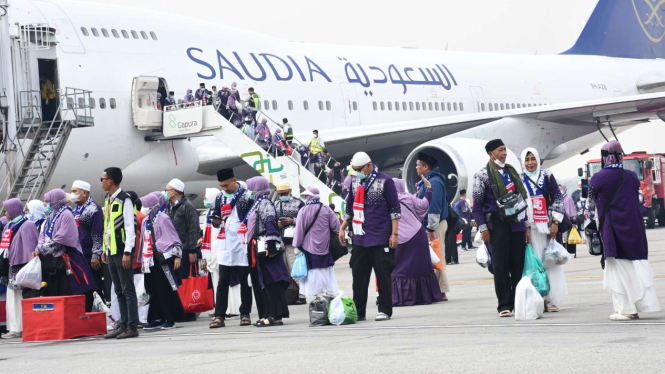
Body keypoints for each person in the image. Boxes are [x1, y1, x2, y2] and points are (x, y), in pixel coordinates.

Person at [588, 140, 661, 320]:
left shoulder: (597, 178)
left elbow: (589, 206)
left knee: (617, 269)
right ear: (620, 154)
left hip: (612, 229)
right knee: (633, 266)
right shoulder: (631, 176)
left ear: (604, 157)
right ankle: (637, 305)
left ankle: (627, 309)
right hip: (633, 227)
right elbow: (640, 201)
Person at [472, 139, 530, 317]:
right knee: (500, 266)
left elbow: (522, 202)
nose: (504, 153)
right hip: (497, 225)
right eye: (500, 150)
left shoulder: (512, 173)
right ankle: (504, 304)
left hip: (517, 225)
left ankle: (518, 302)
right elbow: (477, 206)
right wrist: (483, 229)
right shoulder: (482, 176)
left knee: (518, 265)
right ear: (491, 154)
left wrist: (526, 226)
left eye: (505, 150)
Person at [340, 152, 400, 321]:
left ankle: (385, 309)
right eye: (354, 169)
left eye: (359, 169)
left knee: (383, 275)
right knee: (358, 275)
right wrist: (342, 227)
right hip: (360, 237)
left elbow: (394, 210)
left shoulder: (385, 181)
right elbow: (350, 207)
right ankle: (359, 311)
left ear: (368, 165)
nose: (357, 172)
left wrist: (394, 234)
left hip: (380, 236)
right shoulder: (354, 181)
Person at [520, 148, 568, 312]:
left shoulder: (547, 176)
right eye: (527, 160)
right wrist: (524, 226)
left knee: (550, 263)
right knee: (534, 264)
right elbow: (519, 205)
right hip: (531, 229)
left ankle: (550, 300)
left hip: (547, 228)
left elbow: (557, 199)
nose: (530, 163)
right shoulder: (519, 179)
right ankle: (538, 298)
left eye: (533, 159)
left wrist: (555, 222)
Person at [210, 169, 255, 328]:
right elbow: (216, 215)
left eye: (226, 185)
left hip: (242, 243)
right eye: (221, 186)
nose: (224, 188)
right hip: (226, 244)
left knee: (245, 281)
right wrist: (216, 220)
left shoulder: (247, 195)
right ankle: (219, 315)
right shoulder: (220, 197)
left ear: (234, 180)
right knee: (222, 282)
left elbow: (252, 216)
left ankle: (245, 314)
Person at [34, 189, 98, 299]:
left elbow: (62, 238)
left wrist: (41, 249)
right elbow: (42, 236)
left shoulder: (66, 214)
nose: (45, 204)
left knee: (68, 292)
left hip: (67, 261)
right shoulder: (51, 216)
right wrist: (39, 247)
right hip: (52, 261)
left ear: (55, 201)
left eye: (47, 201)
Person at [244, 177, 290, 327]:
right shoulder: (257, 203)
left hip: (266, 247)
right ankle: (269, 314)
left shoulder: (264, 203)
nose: (249, 192)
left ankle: (275, 316)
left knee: (272, 281)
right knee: (265, 282)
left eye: (251, 188)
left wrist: (271, 244)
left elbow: (270, 221)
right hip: (258, 246)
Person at [100, 167, 139, 339]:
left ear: (111, 181)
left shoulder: (125, 200)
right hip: (111, 250)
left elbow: (130, 227)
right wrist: (104, 249)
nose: (101, 182)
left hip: (122, 251)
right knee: (118, 290)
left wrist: (128, 252)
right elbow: (107, 227)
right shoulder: (109, 200)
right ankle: (123, 324)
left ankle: (132, 326)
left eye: (103, 179)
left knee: (127, 289)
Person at [391, 178, 443, 306]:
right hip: (417, 235)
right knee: (420, 268)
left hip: (398, 238)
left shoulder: (387, 201)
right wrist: (429, 189)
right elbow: (424, 204)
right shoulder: (408, 197)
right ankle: (424, 297)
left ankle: (403, 297)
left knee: (400, 268)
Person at [138, 193, 185, 330]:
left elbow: (174, 238)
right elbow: (143, 242)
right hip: (150, 260)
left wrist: (177, 256)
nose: (143, 208)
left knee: (165, 289)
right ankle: (157, 317)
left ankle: (170, 318)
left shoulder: (163, 218)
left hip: (163, 258)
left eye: (146, 205)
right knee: (153, 289)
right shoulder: (147, 220)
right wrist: (142, 260)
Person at [0, 199, 39, 339]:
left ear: (13, 210)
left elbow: (30, 247)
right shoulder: (9, 226)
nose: (5, 213)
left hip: (22, 266)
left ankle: (20, 328)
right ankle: (13, 327)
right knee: (11, 298)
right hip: (11, 266)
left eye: (7, 210)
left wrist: (30, 267)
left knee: (18, 299)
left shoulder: (27, 225)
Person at [414, 152, 450, 301]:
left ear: (425, 167)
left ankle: (441, 290)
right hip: (431, 225)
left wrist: (430, 228)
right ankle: (435, 289)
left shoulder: (433, 182)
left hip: (435, 225)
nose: (416, 168)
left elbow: (434, 207)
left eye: (418, 165)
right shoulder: (427, 180)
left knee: (438, 256)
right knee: (433, 257)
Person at [292, 186, 340, 297]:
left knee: (313, 275)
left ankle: (317, 300)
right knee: (326, 273)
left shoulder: (303, 210)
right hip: (325, 248)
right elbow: (337, 226)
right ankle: (328, 296)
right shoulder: (326, 209)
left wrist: (296, 245)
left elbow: (299, 231)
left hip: (309, 248)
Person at [164, 178, 201, 320]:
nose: (165, 193)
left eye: (167, 190)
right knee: (176, 282)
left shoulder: (187, 206)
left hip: (185, 250)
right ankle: (179, 309)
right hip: (172, 250)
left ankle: (189, 311)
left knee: (186, 281)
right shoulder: (169, 206)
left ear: (174, 192)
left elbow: (193, 230)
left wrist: (192, 251)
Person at [70, 180, 107, 310]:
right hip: (81, 253)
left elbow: (97, 233)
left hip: (90, 255)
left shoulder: (93, 208)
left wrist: (96, 255)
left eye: (75, 191)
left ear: (84, 193)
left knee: (95, 285)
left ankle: (103, 314)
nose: (72, 194)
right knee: (86, 285)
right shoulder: (78, 208)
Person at [275, 181, 305, 304]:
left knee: (296, 268)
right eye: (280, 194)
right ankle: (289, 294)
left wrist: (292, 221)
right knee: (284, 269)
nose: (282, 196)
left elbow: (305, 219)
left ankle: (301, 295)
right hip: (280, 240)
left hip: (294, 241)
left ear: (290, 191)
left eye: (285, 193)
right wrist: (278, 223)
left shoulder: (299, 203)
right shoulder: (276, 204)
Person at [559, 184, 578, 256]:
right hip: (561, 220)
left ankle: (572, 253)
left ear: (564, 189)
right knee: (563, 238)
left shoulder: (568, 198)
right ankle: (564, 253)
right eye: (559, 189)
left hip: (569, 221)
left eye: (561, 189)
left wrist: (573, 222)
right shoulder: (559, 198)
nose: (560, 190)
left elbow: (572, 210)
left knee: (570, 237)